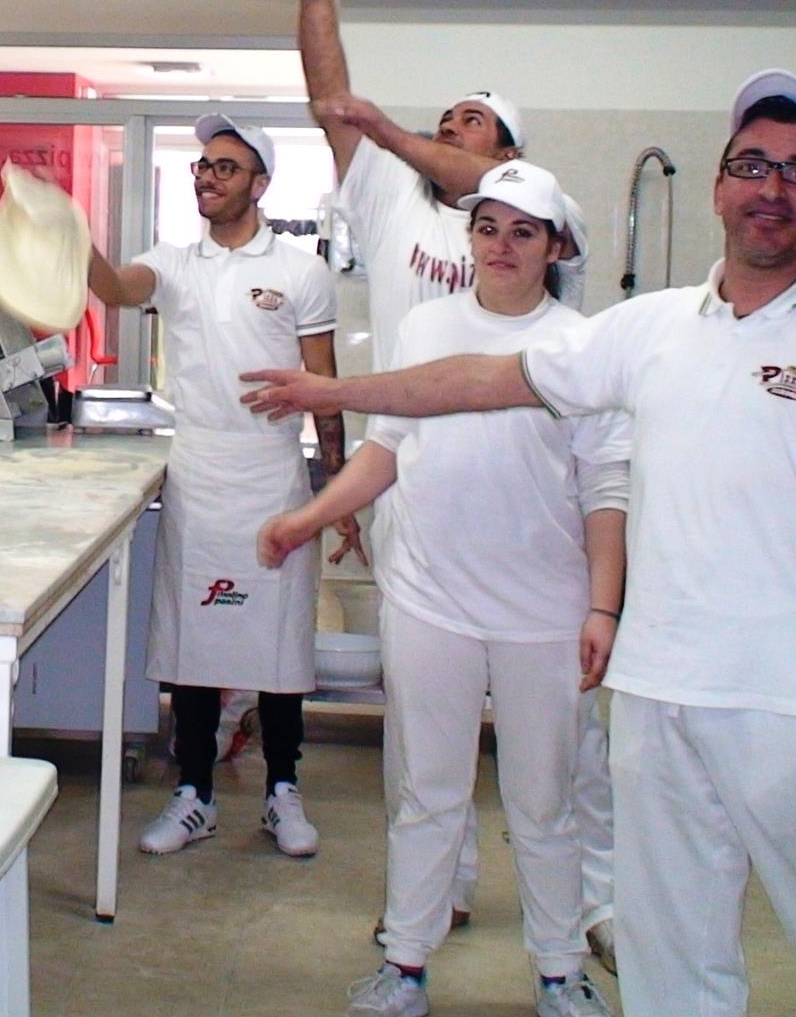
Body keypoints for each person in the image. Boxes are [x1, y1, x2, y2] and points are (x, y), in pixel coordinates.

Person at [242, 70, 796, 1017]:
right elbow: (474, 381)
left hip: (795, 704)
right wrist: (334, 394)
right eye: (752, 165)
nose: (771, 189)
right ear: (719, 187)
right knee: (671, 947)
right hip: (657, 696)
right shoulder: (649, 329)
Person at [259, 161, 625, 1017]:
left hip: (545, 612)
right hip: (430, 600)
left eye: (522, 232)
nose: (501, 246)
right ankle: (406, 965)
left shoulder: (583, 344)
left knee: (544, 802)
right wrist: (310, 517)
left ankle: (560, 973)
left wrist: (603, 607)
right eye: (487, 228)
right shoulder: (426, 327)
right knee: (427, 793)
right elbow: (386, 449)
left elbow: (606, 489)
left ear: (555, 247)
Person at [297, 0, 614, 962]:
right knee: (423, 750)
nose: (446, 129)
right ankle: (436, 905)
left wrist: (393, 131)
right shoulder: (399, 207)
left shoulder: (552, 279)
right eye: (442, 119)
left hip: (535, 555)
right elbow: (329, 98)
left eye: (470, 121)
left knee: (556, 767)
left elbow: (604, 481)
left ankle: (584, 922)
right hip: (419, 508)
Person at [87, 115, 342, 857]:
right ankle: (194, 793)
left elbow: (325, 384)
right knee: (193, 639)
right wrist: (68, 236)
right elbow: (115, 287)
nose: (207, 177)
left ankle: (282, 790)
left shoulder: (300, 272)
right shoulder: (174, 264)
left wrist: (338, 486)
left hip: (273, 473)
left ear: (260, 184)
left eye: (226, 167)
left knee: (280, 642)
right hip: (198, 469)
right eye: (202, 166)